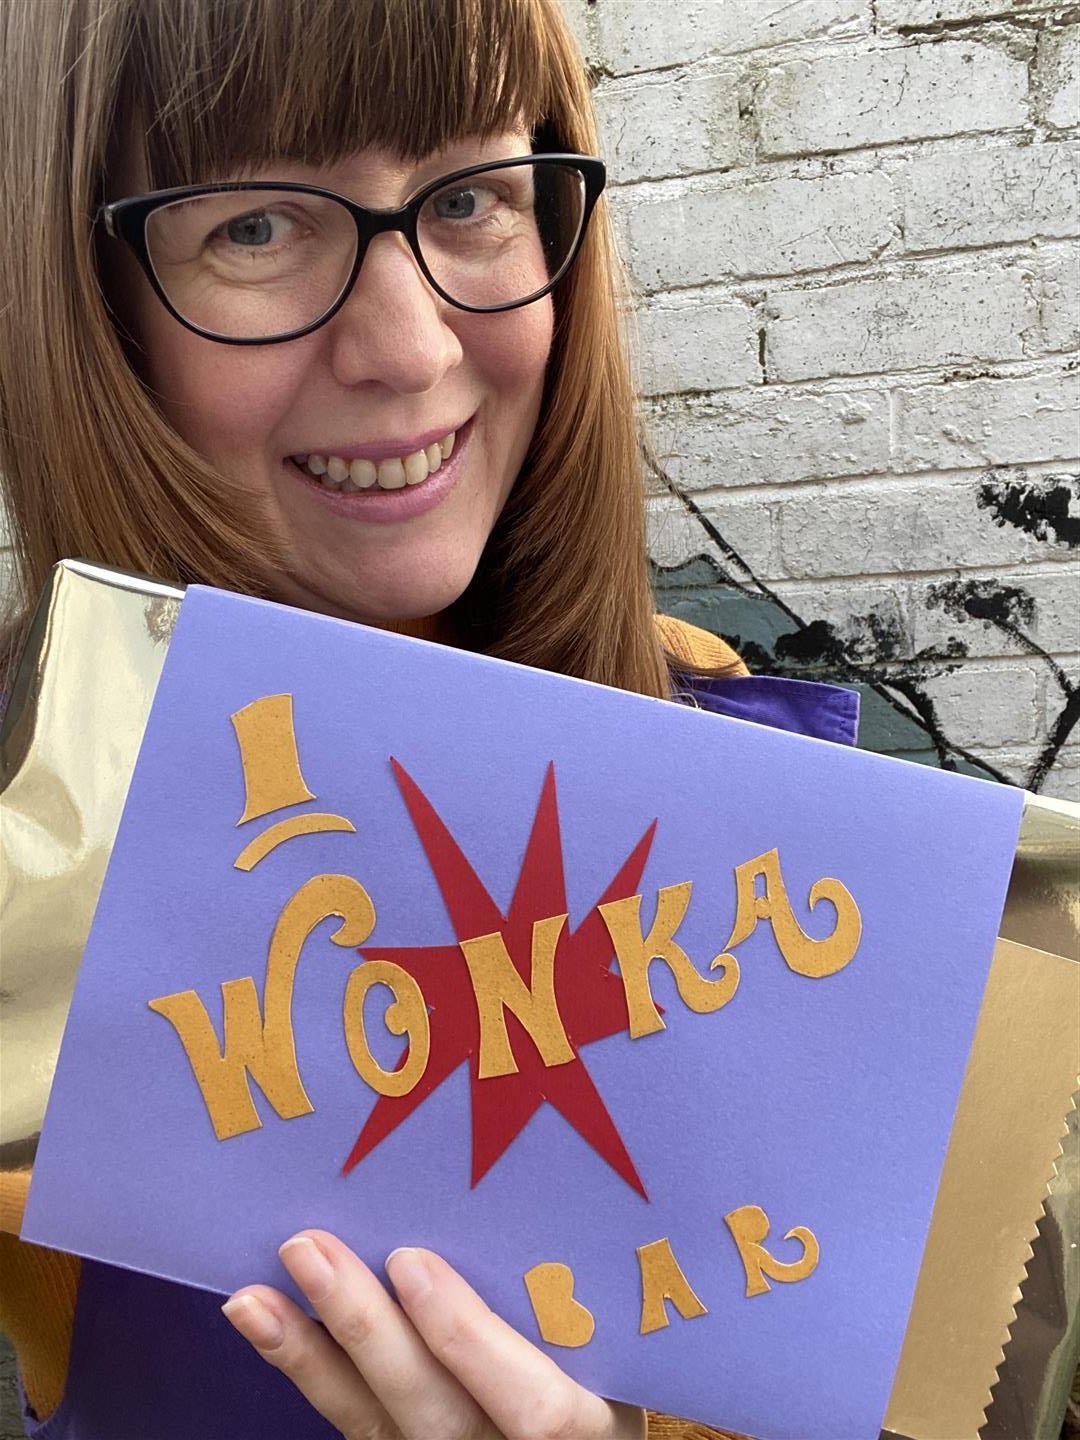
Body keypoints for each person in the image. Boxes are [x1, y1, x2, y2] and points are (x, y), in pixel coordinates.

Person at [0, 1, 855, 1436]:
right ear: (90, 306)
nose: (407, 349)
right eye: (255, 227)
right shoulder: (24, 868)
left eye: (468, 199)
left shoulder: (706, 715)